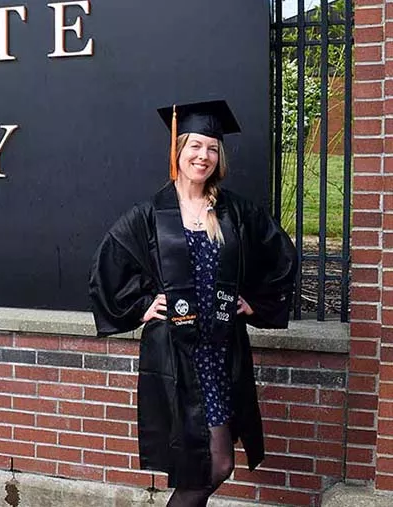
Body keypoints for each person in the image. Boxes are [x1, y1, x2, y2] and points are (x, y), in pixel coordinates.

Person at [88, 100, 297, 506]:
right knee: (211, 465)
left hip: (221, 353)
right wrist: (143, 306)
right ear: (177, 150)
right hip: (177, 356)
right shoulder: (151, 213)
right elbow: (107, 266)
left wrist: (254, 303)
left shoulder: (233, 211)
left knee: (213, 464)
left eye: (212, 149)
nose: (203, 156)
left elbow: (281, 254)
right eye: (195, 146)